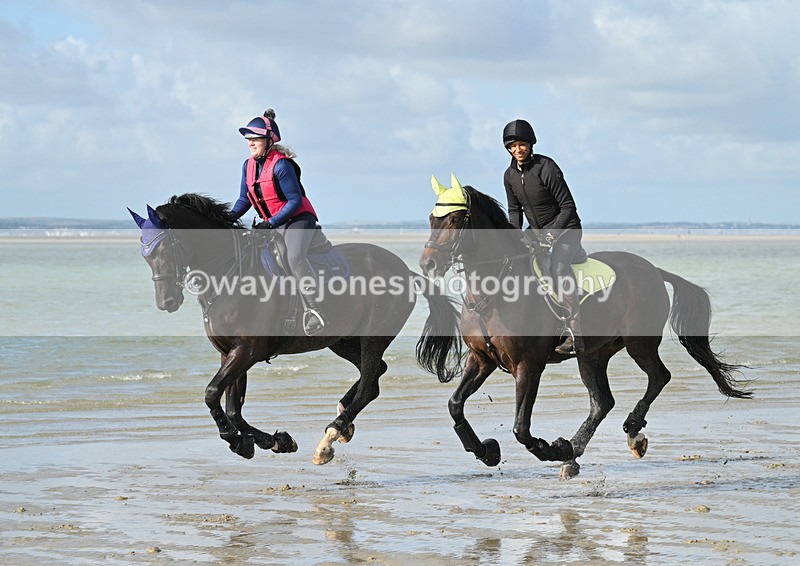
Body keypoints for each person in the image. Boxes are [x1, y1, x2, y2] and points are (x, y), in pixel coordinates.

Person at [230, 108, 326, 336]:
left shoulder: (282, 165)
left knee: (294, 256)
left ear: (269, 140)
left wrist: (271, 223)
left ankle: (315, 309)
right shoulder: (248, 165)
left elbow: (294, 200)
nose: (250, 143)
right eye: (248, 139)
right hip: (271, 223)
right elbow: (244, 199)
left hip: (298, 219)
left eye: (255, 139)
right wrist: (226, 218)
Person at [502, 119, 586, 354]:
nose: (518, 149)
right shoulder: (509, 175)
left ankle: (575, 335)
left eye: (522, 144)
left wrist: (551, 234)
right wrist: (512, 237)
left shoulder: (546, 167)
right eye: (513, 146)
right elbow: (514, 212)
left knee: (557, 271)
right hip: (537, 232)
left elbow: (569, 207)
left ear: (531, 144)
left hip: (567, 229)